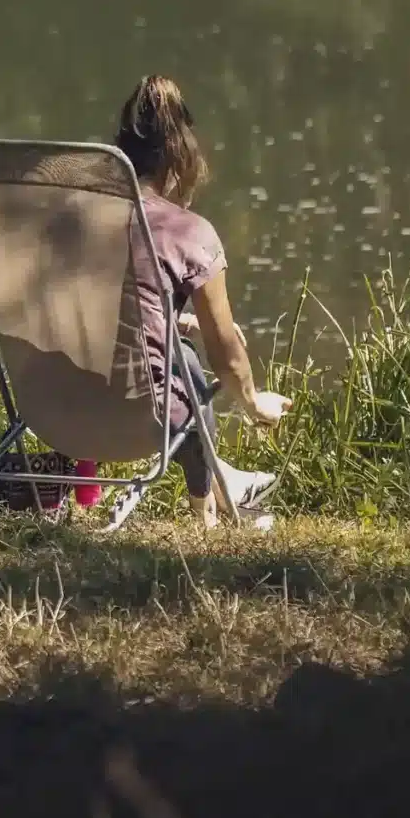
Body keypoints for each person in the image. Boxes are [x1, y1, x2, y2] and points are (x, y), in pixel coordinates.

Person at [114, 76, 291, 527]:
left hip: (55, 401)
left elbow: (91, 315)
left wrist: (176, 324)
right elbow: (226, 351)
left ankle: (223, 485)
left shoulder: (73, 222)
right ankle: (208, 510)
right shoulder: (187, 232)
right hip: (140, 416)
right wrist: (254, 404)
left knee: (185, 356)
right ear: (180, 159)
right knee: (190, 369)